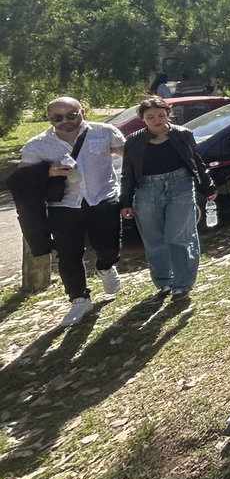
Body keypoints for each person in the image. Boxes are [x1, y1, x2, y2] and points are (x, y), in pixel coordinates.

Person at [18, 97, 126, 326]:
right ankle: (79, 298)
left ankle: (106, 267)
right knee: (68, 255)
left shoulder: (105, 132)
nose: (64, 121)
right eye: (57, 117)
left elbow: (129, 155)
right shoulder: (36, 145)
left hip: (102, 198)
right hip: (63, 206)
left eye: (70, 115)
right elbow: (23, 180)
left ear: (82, 112)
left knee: (108, 247)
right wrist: (48, 172)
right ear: (49, 118)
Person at [119, 96, 216, 300]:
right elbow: (127, 173)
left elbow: (197, 162)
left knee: (177, 236)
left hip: (180, 184)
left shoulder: (182, 134)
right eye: (150, 117)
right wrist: (125, 202)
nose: (157, 120)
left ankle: (182, 284)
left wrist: (208, 187)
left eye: (161, 115)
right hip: (146, 188)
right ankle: (164, 282)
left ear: (168, 115)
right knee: (154, 240)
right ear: (143, 119)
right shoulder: (134, 140)